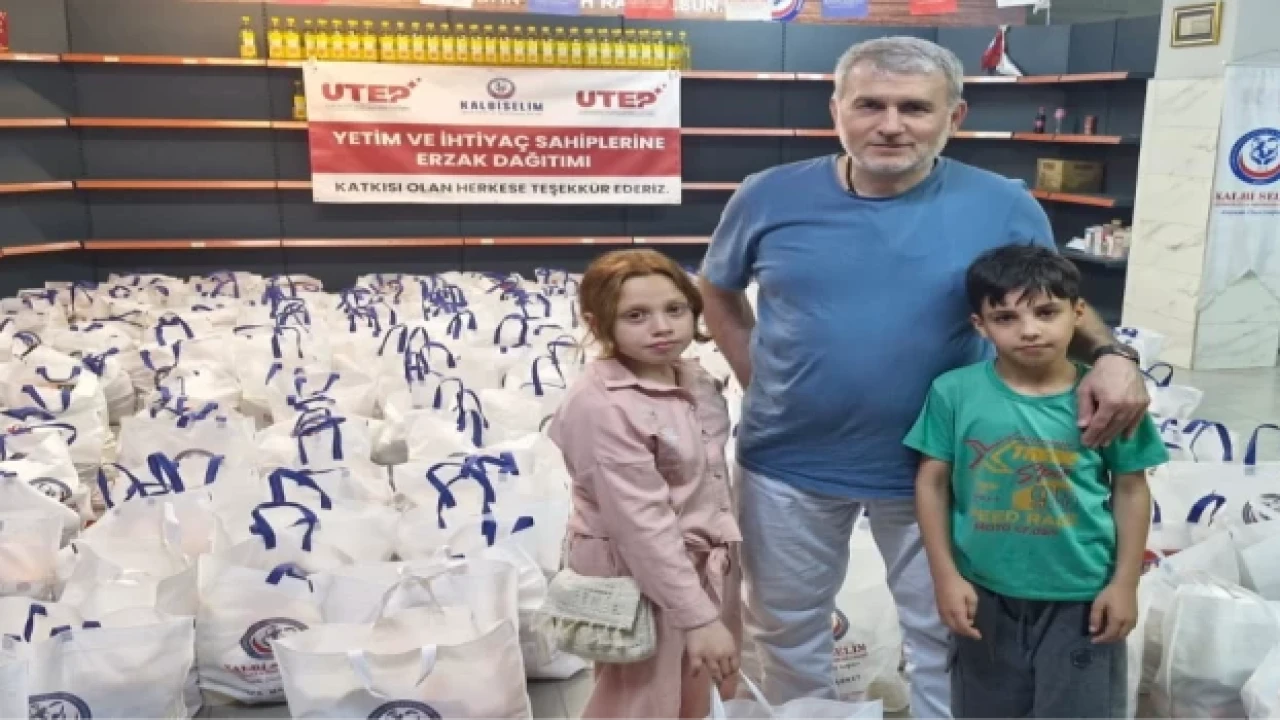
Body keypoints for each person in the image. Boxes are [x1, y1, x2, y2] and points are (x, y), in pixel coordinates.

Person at [698, 35, 1149, 718]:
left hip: (946, 464)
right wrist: (758, 377)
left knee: (949, 633)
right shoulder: (767, 196)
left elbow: (1054, 304)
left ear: (953, 116)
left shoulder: (1002, 206)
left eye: (914, 107)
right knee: (786, 630)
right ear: (836, 110)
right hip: (787, 461)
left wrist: (1116, 357)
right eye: (869, 105)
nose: (890, 125)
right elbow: (719, 289)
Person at [906, 244, 1166, 718]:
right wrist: (945, 577)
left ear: (1077, 313)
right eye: (1005, 318)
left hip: (1081, 598)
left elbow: (1131, 488)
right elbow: (932, 484)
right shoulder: (954, 393)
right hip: (984, 594)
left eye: (1046, 312)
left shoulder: (1108, 400)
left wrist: (1124, 584)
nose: (1029, 330)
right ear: (979, 325)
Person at [548, 248, 743, 720]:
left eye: (674, 309)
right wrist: (697, 616)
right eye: (636, 315)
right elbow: (640, 525)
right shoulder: (602, 406)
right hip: (638, 574)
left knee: (698, 692)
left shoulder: (694, 379)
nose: (662, 327)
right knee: (642, 701)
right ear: (597, 323)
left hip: (699, 565)